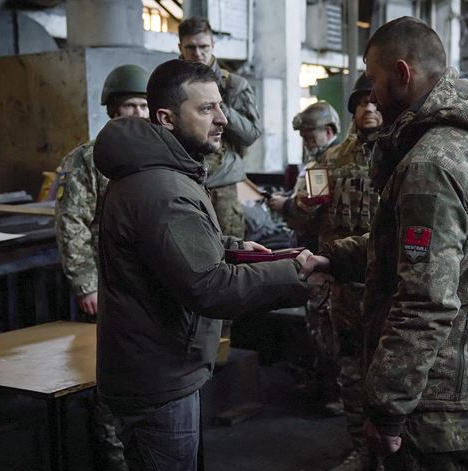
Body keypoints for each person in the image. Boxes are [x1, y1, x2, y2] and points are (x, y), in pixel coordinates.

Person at [302, 17, 468, 470]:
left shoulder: (431, 164)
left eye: (375, 81)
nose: (372, 96)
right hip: (467, 379)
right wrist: (332, 257)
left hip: (435, 402)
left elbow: (426, 300)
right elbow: (412, 249)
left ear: (403, 73)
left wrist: (387, 406)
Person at [94, 59, 312, 471]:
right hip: (159, 377)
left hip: (161, 366)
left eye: (220, 106)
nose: (222, 120)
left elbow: (172, 247)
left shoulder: (163, 174)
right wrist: (295, 274)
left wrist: (232, 247)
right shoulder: (161, 188)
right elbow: (210, 286)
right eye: (206, 109)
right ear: (167, 118)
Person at [283, 75, 383, 471]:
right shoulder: (330, 161)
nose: (369, 109)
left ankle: (398, 447)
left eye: (375, 102)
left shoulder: (408, 156)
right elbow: (301, 216)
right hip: (344, 284)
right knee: (352, 370)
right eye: (361, 103)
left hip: (392, 284)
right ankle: (361, 447)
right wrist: (302, 204)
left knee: (396, 368)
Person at [54, 63, 149, 471]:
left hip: (151, 286)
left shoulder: (158, 156)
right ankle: (115, 460)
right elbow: (70, 222)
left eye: (145, 106)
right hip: (109, 287)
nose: (139, 114)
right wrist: (85, 284)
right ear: (112, 109)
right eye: (130, 105)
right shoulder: (86, 160)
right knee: (111, 380)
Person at [268, 100, 343, 416]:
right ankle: (327, 383)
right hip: (328, 252)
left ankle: (337, 391)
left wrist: (284, 205)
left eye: (310, 135)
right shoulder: (331, 161)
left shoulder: (325, 165)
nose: (306, 142)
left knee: (326, 325)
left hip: (324, 255)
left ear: (328, 132)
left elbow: (308, 212)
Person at [179, 17, 262, 239]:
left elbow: (251, 134)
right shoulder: (170, 83)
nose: (198, 53)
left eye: (203, 46)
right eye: (191, 47)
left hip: (223, 184)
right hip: (183, 181)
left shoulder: (233, 85)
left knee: (231, 255)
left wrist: (215, 101)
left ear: (213, 45)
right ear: (180, 48)